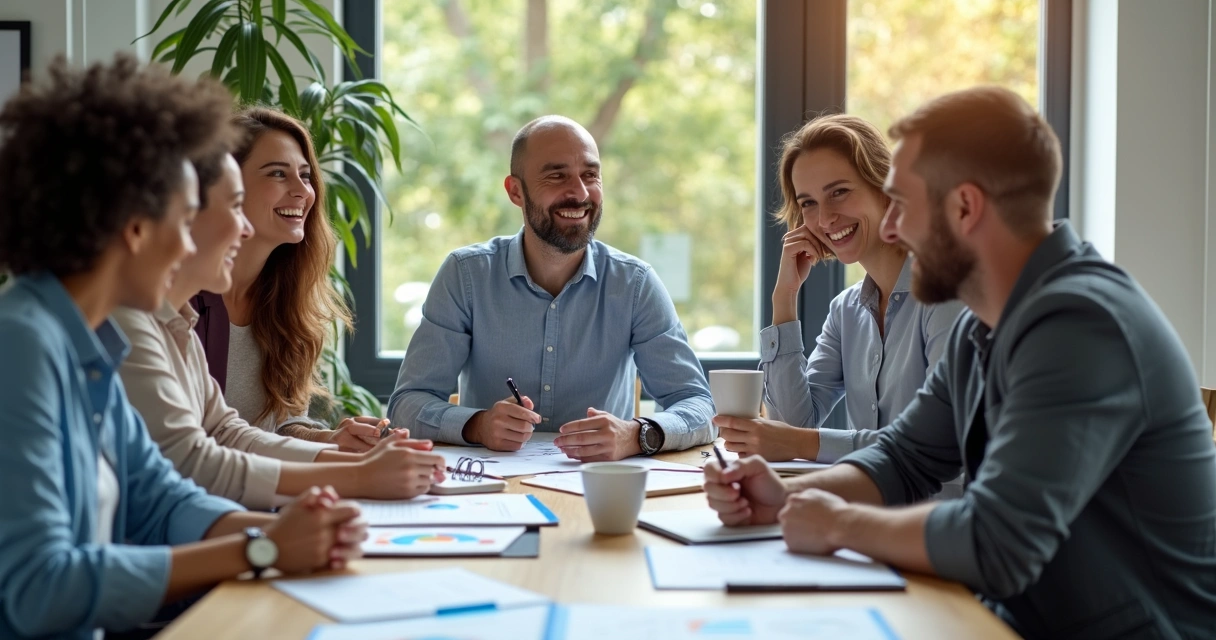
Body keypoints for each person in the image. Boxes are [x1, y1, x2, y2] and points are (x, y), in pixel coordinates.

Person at [703, 86, 1216, 639]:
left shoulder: (1082, 324)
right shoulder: (984, 323)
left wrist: (838, 523)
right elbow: (906, 458)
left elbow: (998, 541)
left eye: (900, 204)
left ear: (965, 208)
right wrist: (786, 498)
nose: (891, 229)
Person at [0, 54, 367, 640]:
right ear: (135, 225)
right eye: (188, 211)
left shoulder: (82, 339)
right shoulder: (22, 345)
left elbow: (159, 497)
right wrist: (261, 549)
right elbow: (40, 588)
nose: (199, 234)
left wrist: (294, 530)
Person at [113, 149, 446, 510]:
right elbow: (193, 460)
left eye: (305, 175)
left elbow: (230, 432)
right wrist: (359, 475)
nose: (242, 228)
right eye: (234, 205)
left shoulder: (181, 321)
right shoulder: (135, 320)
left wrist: (350, 456)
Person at [388, 115, 715, 460]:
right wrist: (478, 425)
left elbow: (699, 405)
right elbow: (407, 404)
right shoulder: (465, 275)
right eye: (557, 176)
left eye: (590, 175)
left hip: (599, 490)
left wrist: (636, 434)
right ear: (516, 191)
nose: (580, 192)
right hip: (492, 495)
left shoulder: (634, 283)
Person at [718, 114, 963, 466]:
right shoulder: (846, 310)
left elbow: (939, 441)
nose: (825, 218)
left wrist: (803, 444)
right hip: (864, 509)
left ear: (884, 188)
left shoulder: (946, 293)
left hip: (939, 515)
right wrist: (784, 298)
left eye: (839, 192)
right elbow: (791, 426)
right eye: (808, 203)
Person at [191, 108, 384, 453]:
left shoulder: (287, 300)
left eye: (306, 175)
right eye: (278, 174)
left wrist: (329, 439)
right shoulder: (180, 300)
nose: (303, 191)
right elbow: (199, 445)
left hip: (266, 493)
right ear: (227, 187)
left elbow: (280, 425)